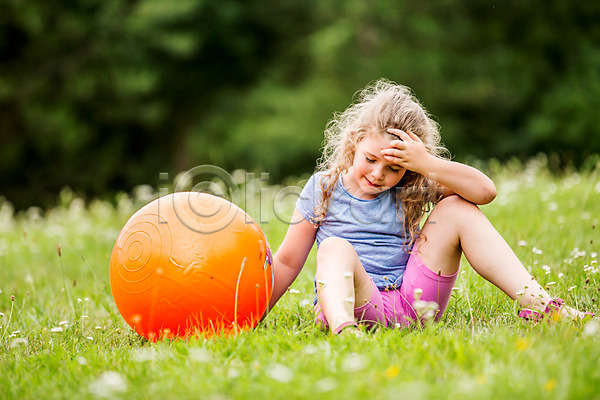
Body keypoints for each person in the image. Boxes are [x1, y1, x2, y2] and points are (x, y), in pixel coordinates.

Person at [267, 79, 590, 335]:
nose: (379, 175)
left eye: (394, 168)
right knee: (335, 247)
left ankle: (544, 308)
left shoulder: (412, 184)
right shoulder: (323, 187)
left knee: (457, 208)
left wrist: (425, 163)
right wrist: (250, 316)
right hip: (351, 302)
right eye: (371, 160)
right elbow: (287, 261)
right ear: (355, 142)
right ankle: (343, 330)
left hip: (412, 304)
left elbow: (484, 191)